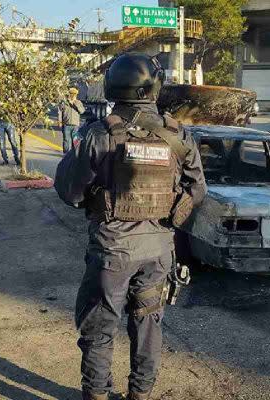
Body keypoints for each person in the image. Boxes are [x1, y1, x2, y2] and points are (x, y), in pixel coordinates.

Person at [55, 52, 207, 400]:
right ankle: (141, 394)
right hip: (158, 252)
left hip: (112, 250)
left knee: (99, 327)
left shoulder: (98, 133)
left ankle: (97, 394)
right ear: (154, 87)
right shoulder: (178, 136)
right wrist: (169, 213)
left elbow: (70, 191)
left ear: (112, 87)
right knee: (148, 323)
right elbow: (198, 191)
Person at [0, 97, 21, 166]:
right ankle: (5, 160)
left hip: (9, 122)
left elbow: (15, 109)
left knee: (13, 141)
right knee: (2, 142)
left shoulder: (9, 95)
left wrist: (7, 105)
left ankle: (17, 159)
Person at [60, 87, 85, 152]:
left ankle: (75, 155)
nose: (72, 95)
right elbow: (60, 111)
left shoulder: (78, 102)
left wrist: (74, 103)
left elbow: (82, 111)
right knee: (66, 141)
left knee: (75, 141)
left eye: (74, 94)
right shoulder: (64, 102)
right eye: (71, 93)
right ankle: (66, 155)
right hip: (66, 125)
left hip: (75, 125)